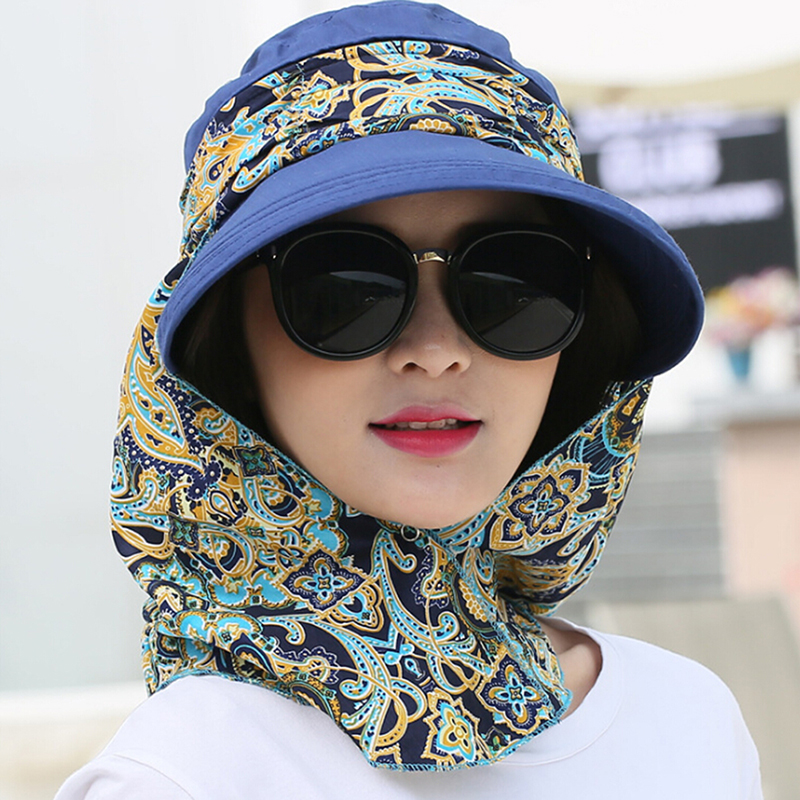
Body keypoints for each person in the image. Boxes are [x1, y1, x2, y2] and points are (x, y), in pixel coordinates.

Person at [55, 2, 762, 797]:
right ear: (230, 349)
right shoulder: (186, 776)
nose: (436, 349)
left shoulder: (689, 719)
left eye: (516, 281)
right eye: (341, 287)